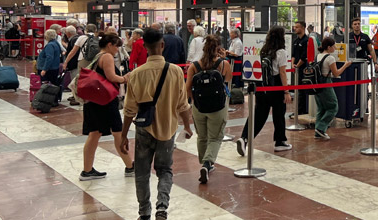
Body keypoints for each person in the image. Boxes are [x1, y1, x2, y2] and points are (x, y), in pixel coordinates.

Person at [120, 28, 193, 220]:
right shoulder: (176, 71)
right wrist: (187, 126)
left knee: (142, 172)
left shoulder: (136, 74)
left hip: (144, 128)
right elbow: (183, 104)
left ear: (144, 47)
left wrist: (124, 135)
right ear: (162, 45)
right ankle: (162, 208)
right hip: (168, 128)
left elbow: (129, 109)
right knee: (165, 170)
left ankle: (144, 212)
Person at [80, 33, 133, 180]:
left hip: (94, 101)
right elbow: (111, 77)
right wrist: (124, 78)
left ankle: (87, 170)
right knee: (118, 131)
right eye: (117, 46)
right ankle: (130, 166)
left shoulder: (98, 56)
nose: (118, 50)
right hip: (105, 102)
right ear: (110, 45)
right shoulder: (107, 57)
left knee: (95, 133)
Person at [235, 26, 293, 155]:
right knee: (279, 114)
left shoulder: (264, 50)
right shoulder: (281, 52)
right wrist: (286, 91)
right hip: (276, 85)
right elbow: (282, 72)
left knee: (258, 115)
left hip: (263, 86)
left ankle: (244, 138)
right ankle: (280, 141)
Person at [186, 35, 231, 184]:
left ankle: (203, 162)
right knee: (215, 137)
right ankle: (207, 163)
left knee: (202, 136)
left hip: (199, 107)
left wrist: (194, 102)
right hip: (218, 107)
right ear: (218, 48)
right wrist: (223, 58)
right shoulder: (223, 64)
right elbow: (228, 79)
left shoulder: (194, 66)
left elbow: (187, 89)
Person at [314, 37, 352, 139]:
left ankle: (318, 132)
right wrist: (345, 65)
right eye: (334, 46)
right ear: (329, 47)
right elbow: (336, 74)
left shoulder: (318, 56)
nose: (335, 48)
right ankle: (320, 128)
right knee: (333, 107)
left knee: (321, 108)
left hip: (316, 84)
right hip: (326, 83)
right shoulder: (330, 58)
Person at [37, 29, 63, 104]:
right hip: (55, 67)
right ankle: (54, 100)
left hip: (49, 69)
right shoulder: (56, 43)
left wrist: (44, 69)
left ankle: (48, 101)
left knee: (47, 86)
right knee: (54, 85)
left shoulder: (50, 45)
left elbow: (49, 57)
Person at [292, 21, 309, 115]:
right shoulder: (296, 41)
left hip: (303, 69)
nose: (295, 28)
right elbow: (293, 54)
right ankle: (297, 110)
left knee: (302, 91)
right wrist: (293, 64)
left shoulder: (306, 41)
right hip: (296, 69)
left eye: (297, 27)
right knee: (297, 91)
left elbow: (304, 57)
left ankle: (302, 110)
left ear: (303, 28)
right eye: (295, 27)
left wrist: (297, 66)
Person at [63, 26, 81, 105]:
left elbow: (73, 52)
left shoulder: (74, 40)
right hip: (75, 63)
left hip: (74, 64)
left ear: (68, 33)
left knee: (75, 81)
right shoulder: (77, 38)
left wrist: (66, 62)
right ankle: (74, 95)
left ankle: (76, 97)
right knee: (74, 80)